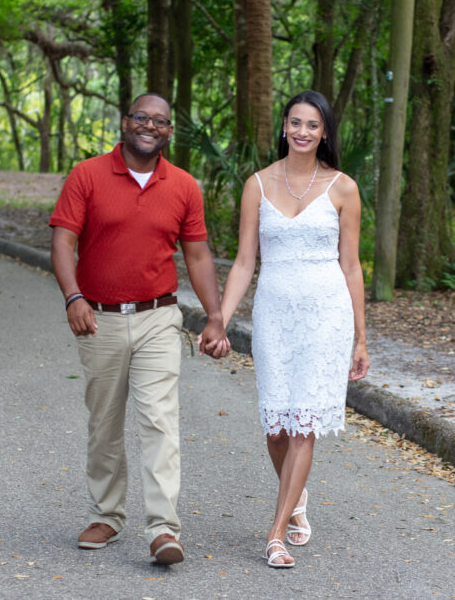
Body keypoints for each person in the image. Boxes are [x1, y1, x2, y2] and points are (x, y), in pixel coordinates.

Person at [49, 92, 228, 566]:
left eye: (161, 121)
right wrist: (73, 297)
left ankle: (163, 530)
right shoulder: (87, 175)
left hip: (158, 318)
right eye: (142, 118)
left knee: (159, 420)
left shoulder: (184, 186)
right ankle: (107, 515)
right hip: (99, 319)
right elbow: (63, 241)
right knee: (104, 422)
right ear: (125, 122)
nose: (150, 126)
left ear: (169, 132)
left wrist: (215, 317)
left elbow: (197, 256)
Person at [216, 89, 369, 568]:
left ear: (324, 133)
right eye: (296, 122)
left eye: (313, 125)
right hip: (274, 314)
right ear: (284, 126)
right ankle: (296, 496)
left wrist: (361, 338)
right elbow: (244, 262)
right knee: (277, 427)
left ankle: (277, 532)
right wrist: (220, 318)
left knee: (304, 424)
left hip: (327, 314)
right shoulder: (257, 185)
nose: (303, 131)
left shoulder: (343, 187)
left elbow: (351, 266)